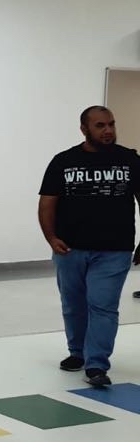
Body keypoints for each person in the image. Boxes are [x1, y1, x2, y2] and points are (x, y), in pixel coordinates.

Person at [38, 106, 140, 388]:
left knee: (103, 305)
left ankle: (96, 364)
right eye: (100, 126)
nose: (108, 131)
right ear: (84, 129)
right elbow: (47, 203)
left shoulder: (130, 160)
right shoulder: (63, 161)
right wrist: (51, 238)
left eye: (111, 124)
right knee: (73, 305)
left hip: (115, 249)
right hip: (70, 249)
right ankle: (77, 352)